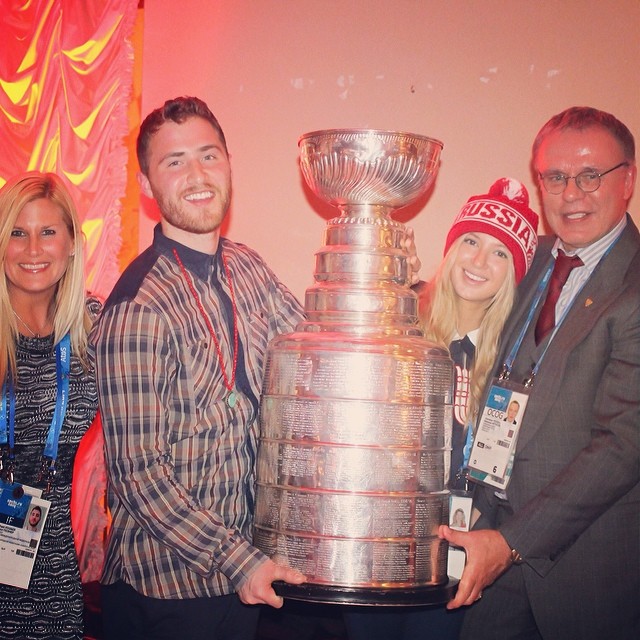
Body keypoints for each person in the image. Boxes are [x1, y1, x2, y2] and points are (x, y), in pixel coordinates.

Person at [91, 96, 313, 640]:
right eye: (175, 161)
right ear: (147, 185)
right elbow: (138, 476)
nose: (197, 175)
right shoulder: (137, 305)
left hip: (243, 583)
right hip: (165, 594)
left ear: (229, 163)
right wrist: (241, 560)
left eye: (209, 155)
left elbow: (315, 350)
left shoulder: (249, 267)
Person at [440, 107, 639, 640]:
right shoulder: (529, 260)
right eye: (555, 176)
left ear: (629, 180)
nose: (571, 193)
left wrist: (510, 543)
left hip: (583, 571)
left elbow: (625, 442)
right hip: (488, 554)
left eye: (590, 175)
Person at [343, 177, 539, 640]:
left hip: (454, 557)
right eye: (471, 241)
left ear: (514, 273)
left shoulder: (517, 360)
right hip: (378, 546)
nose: (478, 261)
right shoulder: (397, 322)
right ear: (452, 248)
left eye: (500, 252)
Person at [0, 171, 100, 639]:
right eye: (17, 232)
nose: (33, 249)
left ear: (72, 244)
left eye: (48, 232)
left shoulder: (95, 331)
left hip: (55, 571)